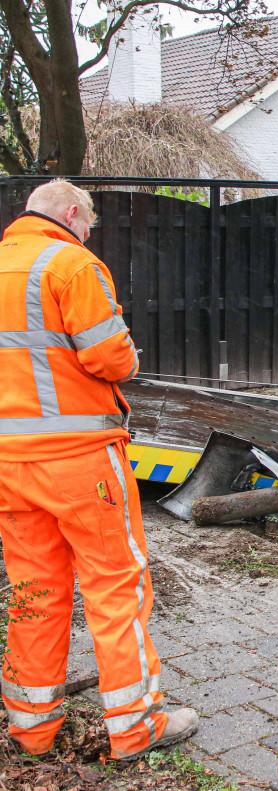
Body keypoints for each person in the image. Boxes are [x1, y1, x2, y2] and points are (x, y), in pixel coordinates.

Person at [0, 179, 198, 760]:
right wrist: (131, 354)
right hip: (80, 459)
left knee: (34, 589)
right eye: (88, 222)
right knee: (116, 585)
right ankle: (135, 726)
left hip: (10, 463)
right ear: (69, 214)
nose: (89, 233)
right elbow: (110, 357)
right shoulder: (72, 264)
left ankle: (31, 726)